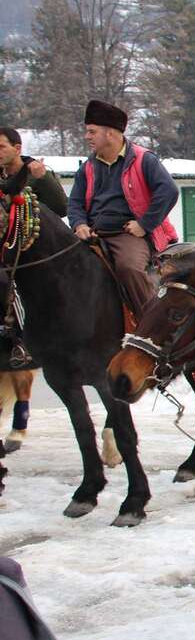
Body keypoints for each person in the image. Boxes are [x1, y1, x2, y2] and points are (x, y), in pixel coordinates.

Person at [67, 100, 179, 315]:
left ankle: (150, 324)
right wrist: (79, 224)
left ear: (110, 134)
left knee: (129, 268)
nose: (87, 137)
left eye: (92, 132)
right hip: (93, 234)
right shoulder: (87, 168)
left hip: (128, 234)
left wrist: (144, 225)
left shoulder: (144, 160)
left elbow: (168, 191)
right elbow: (75, 203)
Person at [0, 127, 68, 451]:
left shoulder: (37, 172)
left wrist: (40, 180)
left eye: (1, 147)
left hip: (34, 252)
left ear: (17, 147)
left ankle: (25, 346)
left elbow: (62, 207)